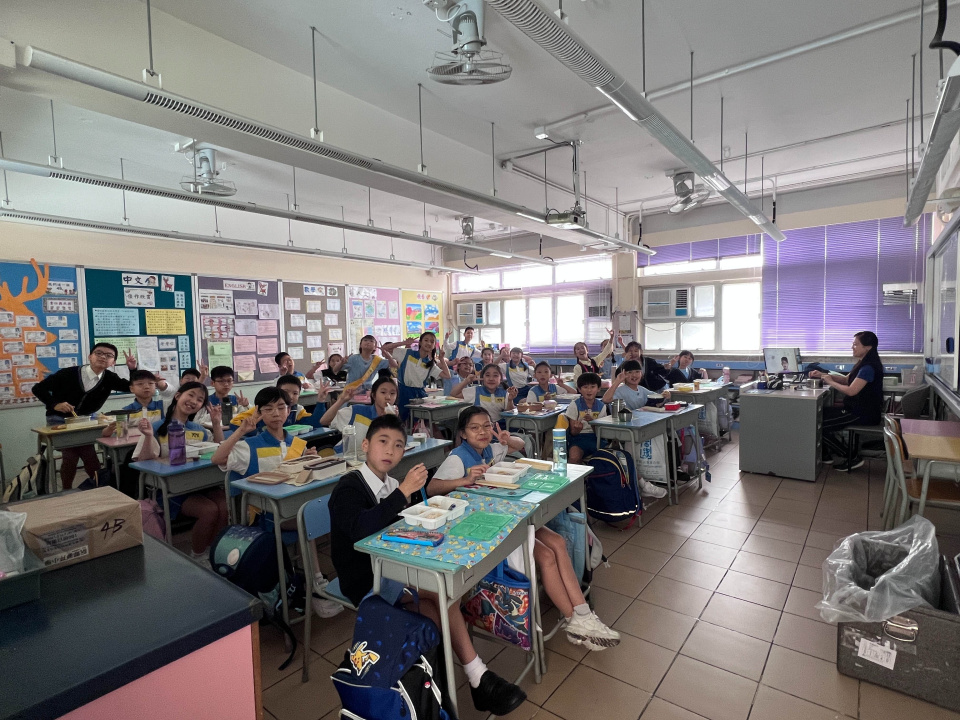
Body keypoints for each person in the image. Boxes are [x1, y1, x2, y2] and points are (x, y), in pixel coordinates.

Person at [328, 414, 526, 716]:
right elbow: (360, 529)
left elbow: (401, 526)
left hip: (394, 564)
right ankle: (474, 679)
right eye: (383, 442)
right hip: (364, 578)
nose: (390, 450)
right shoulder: (349, 487)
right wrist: (403, 492)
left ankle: (447, 689)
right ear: (365, 445)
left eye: (398, 445)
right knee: (437, 595)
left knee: (438, 604)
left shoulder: (391, 483)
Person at [430, 407, 621, 652]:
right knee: (546, 555)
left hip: (505, 517)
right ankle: (576, 619)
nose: (482, 432)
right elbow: (433, 487)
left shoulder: (490, 449)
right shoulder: (458, 458)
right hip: (484, 529)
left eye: (487, 426)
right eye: (474, 428)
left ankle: (582, 615)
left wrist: (507, 439)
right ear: (463, 434)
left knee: (558, 542)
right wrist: (464, 480)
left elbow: (520, 445)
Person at [214, 386, 342, 618]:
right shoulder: (249, 445)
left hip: (292, 510)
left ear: (289, 410)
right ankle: (316, 584)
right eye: (268, 409)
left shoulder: (298, 444)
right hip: (264, 515)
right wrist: (241, 430)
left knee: (327, 512)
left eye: (281, 407)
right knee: (309, 519)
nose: (276, 413)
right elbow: (218, 458)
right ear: (259, 413)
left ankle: (333, 578)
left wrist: (310, 462)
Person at [135, 381, 226, 566]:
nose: (193, 401)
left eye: (199, 400)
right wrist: (148, 436)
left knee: (225, 506)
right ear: (177, 396)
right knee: (208, 511)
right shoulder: (157, 427)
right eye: (190, 395)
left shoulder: (199, 430)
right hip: (171, 490)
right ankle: (198, 555)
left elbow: (218, 450)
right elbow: (142, 461)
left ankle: (213, 551)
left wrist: (216, 424)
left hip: (200, 484)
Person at [31, 342, 139, 489]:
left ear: (113, 362)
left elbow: (132, 387)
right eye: (99, 353)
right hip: (59, 419)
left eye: (109, 355)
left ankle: (93, 487)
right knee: (74, 453)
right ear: (90, 357)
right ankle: (87, 488)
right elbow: (38, 388)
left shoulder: (109, 378)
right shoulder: (68, 373)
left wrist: (132, 369)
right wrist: (54, 404)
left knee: (84, 453)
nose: (103, 357)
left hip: (86, 419)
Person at [810, 330, 885, 471]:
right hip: (856, 409)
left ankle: (851, 456)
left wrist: (830, 382)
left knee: (817, 423)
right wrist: (822, 375)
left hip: (862, 413)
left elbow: (851, 390)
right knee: (817, 416)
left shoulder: (869, 367)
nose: (852, 347)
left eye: (856, 344)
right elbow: (846, 380)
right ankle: (826, 455)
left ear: (867, 347)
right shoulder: (863, 363)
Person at [381, 332, 451, 420]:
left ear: (434, 346)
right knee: (403, 420)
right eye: (426, 340)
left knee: (419, 422)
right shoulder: (407, 353)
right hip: (403, 392)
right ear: (420, 342)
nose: (429, 343)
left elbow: (447, 375)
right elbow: (385, 348)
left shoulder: (430, 364)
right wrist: (404, 343)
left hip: (419, 395)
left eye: (432, 341)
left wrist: (441, 359)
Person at [320, 369, 399, 445]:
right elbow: (324, 421)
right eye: (383, 392)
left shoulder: (394, 418)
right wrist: (342, 400)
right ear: (373, 395)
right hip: (348, 453)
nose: (388, 397)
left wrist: (391, 421)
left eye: (392, 393)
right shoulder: (357, 411)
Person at [231, 374, 328, 431]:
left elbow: (316, 423)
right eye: (285, 392)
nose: (290, 396)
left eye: (295, 393)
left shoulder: (297, 410)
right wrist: (253, 421)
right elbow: (233, 423)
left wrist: (321, 401)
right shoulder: (260, 409)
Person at [450, 363, 516, 425]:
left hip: (499, 427)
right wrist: (466, 381)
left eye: (495, 376)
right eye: (487, 375)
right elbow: (454, 394)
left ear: (500, 379)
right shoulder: (475, 391)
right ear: (482, 378)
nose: (491, 379)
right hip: (479, 427)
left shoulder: (504, 393)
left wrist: (510, 400)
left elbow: (510, 414)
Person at [565, 372, 608, 464]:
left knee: (604, 459)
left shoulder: (601, 406)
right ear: (579, 389)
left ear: (598, 388)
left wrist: (593, 423)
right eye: (585, 387)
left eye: (592, 387)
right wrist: (577, 429)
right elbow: (573, 432)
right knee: (574, 457)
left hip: (596, 438)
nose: (589, 390)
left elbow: (601, 433)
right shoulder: (574, 405)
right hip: (578, 438)